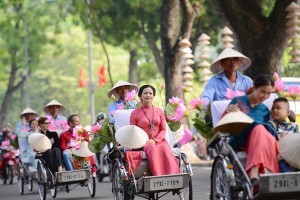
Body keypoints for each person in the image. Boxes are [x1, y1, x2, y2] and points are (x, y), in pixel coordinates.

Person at [225, 74, 278, 182]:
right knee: (259, 127)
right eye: (263, 91)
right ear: (254, 88)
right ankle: (254, 171)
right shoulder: (238, 101)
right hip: (240, 139)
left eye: (268, 93)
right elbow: (226, 124)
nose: (265, 96)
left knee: (261, 129)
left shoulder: (264, 110)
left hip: (260, 141)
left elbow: (267, 129)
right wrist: (227, 112)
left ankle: (257, 171)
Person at [127, 85, 180, 176]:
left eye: (150, 93)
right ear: (140, 96)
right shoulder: (135, 113)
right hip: (144, 143)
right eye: (145, 93)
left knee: (165, 148)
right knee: (152, 149)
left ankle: (173, 175)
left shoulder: (159, 111)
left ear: (153, 96)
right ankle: (159, 176)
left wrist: (155, 140)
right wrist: (145, 142)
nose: (148, 95)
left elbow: (163, 129)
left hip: (160, 141)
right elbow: (133, 132)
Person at [269, 97, 299, 172]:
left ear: (288, 112)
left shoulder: (294, 125)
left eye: (278, 108)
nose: (275, 110)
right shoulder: (271, 125)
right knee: (285, 171)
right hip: (281, 156)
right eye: (273, 108)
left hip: (295, 155)